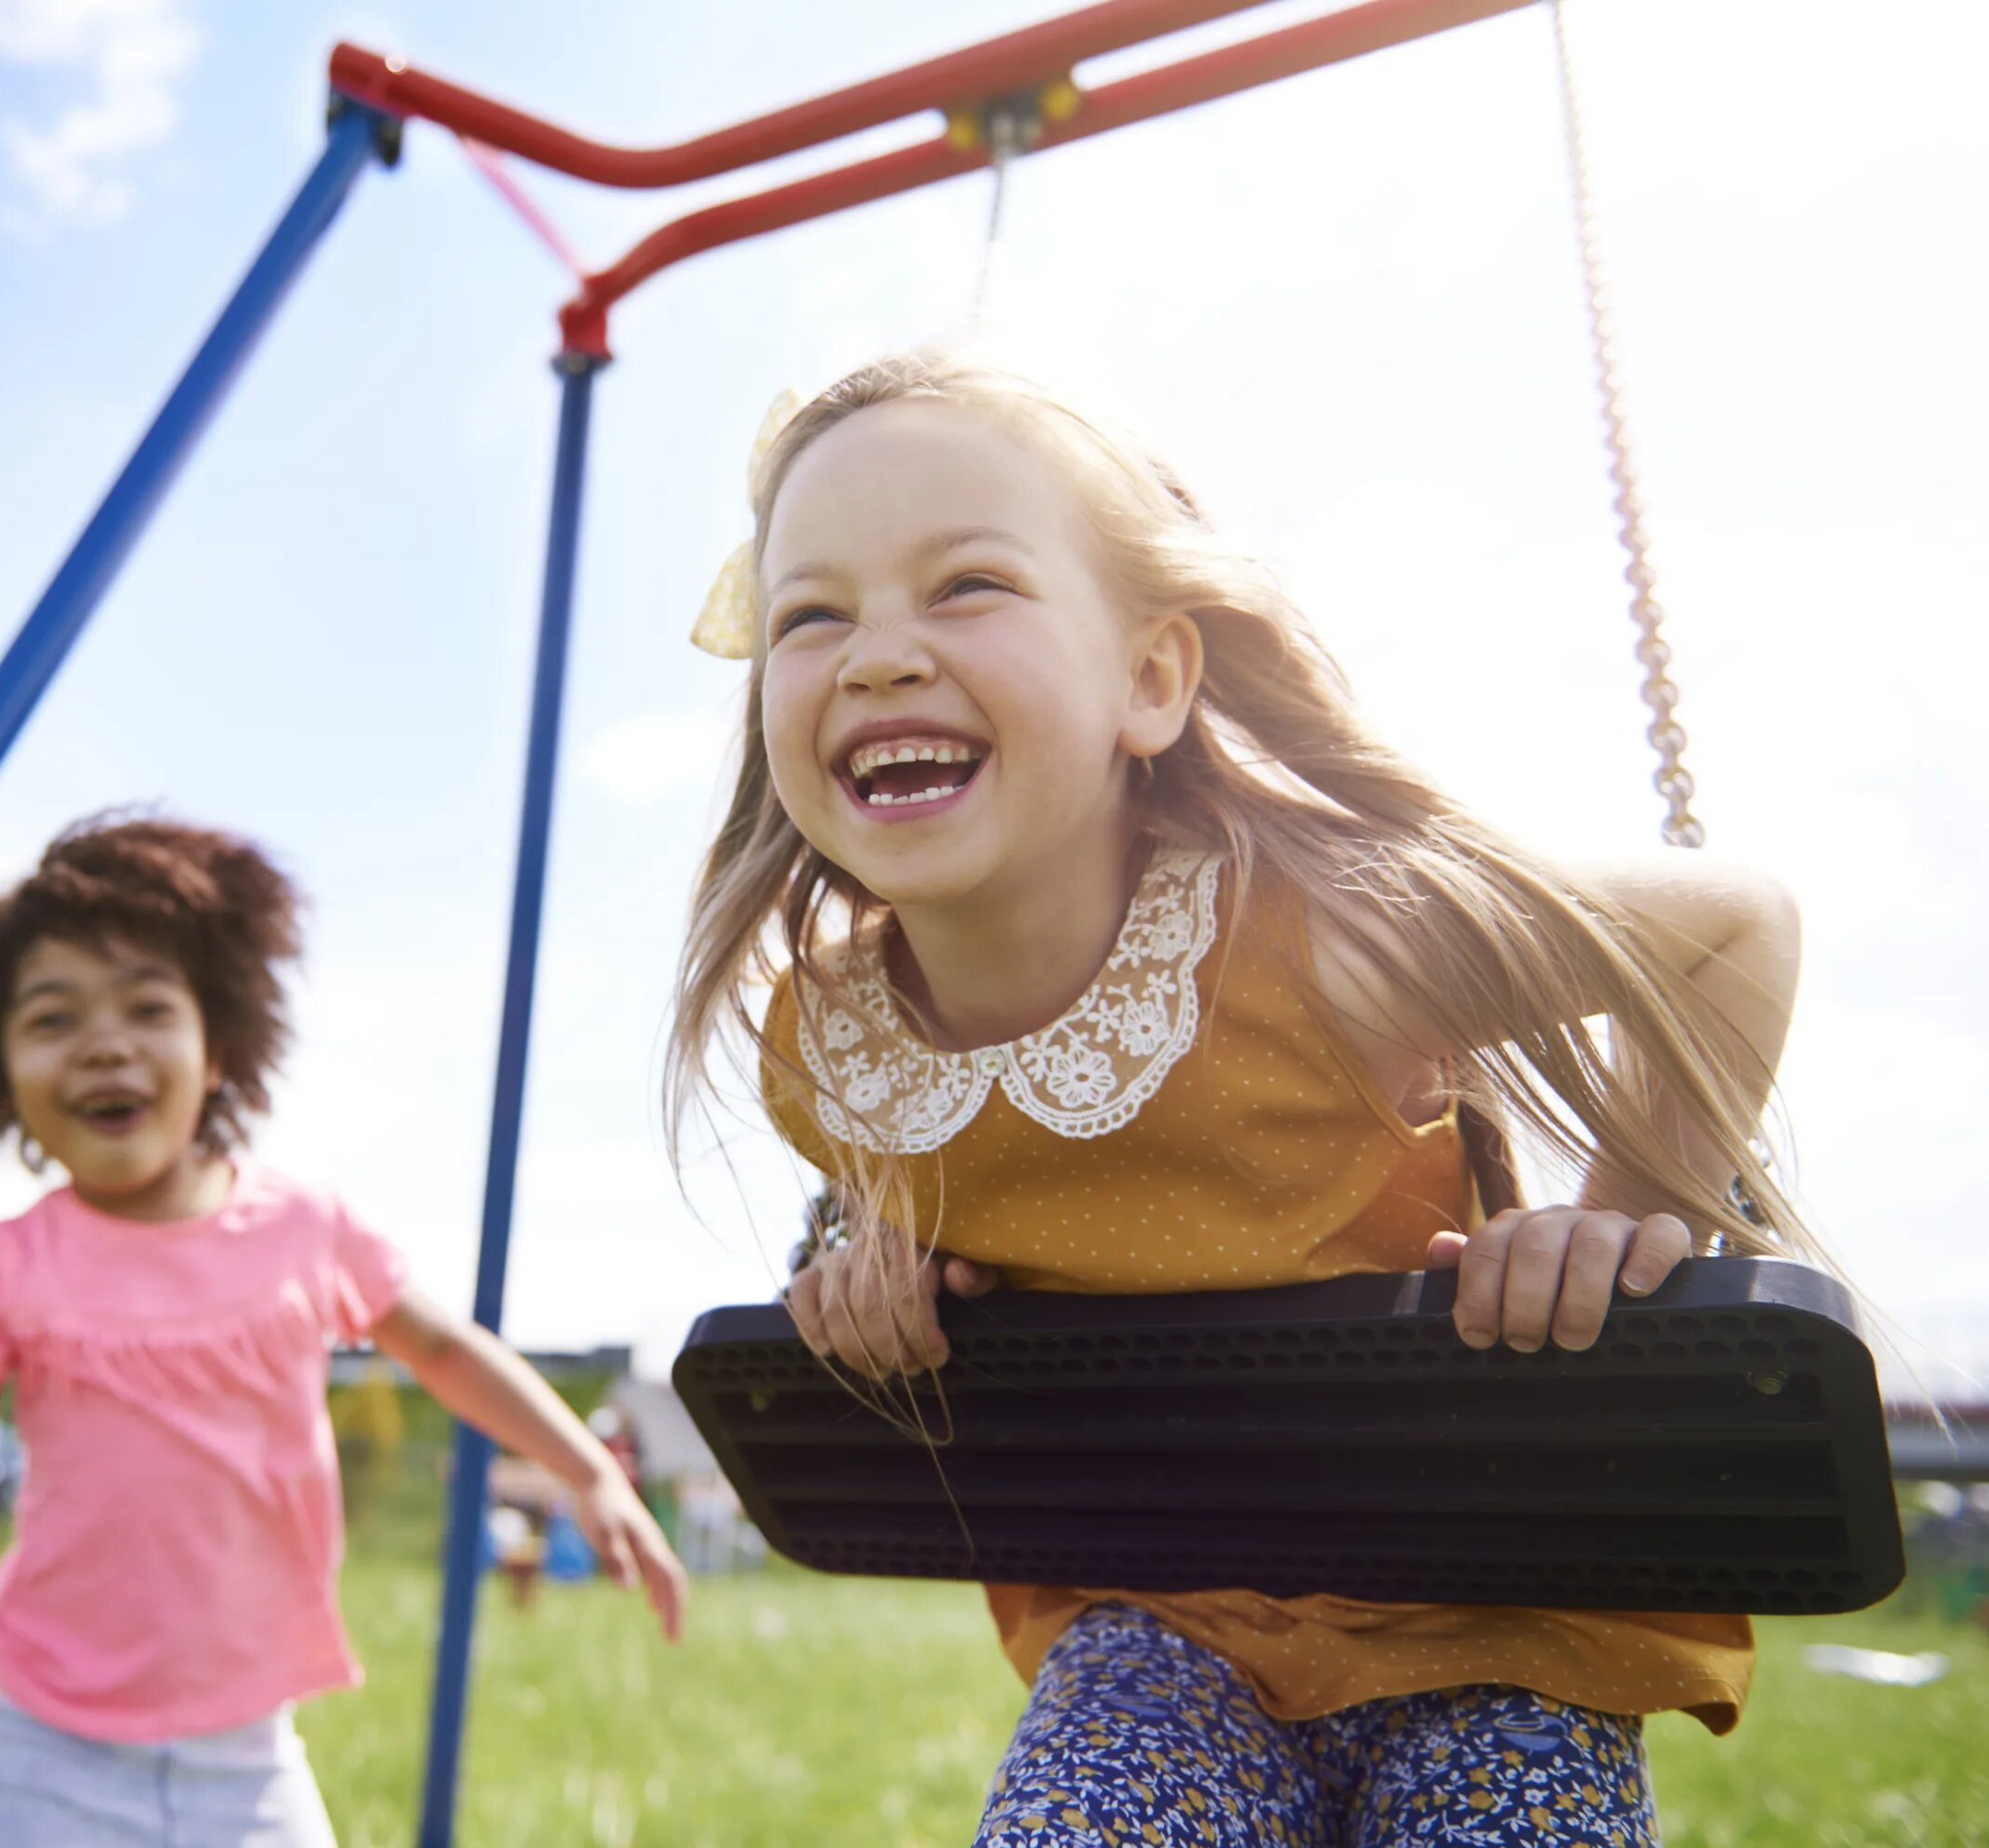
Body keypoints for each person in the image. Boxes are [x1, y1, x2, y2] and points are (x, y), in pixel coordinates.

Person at [665, 354, 1818, 1846]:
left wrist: (1621, 1223)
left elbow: (1737, 925)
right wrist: (878, 1278)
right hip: (1158, 1621)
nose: (878, 654)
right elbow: (967, 1209)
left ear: (1151, 678)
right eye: (810, 615)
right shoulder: (830, 1046)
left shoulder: (1321, 946)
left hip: (1490, 1616)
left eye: (965, 588)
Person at [0, 815, 684, 1848]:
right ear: (1, 1079)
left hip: (246, 1761)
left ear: (218, 1050)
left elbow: (443, 1350)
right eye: (52, 1018)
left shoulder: (305, 1227)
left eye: (148, 1007)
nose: (106, 1041)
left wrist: (588, 1469)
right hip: (37, 1756)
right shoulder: (1, 1274)